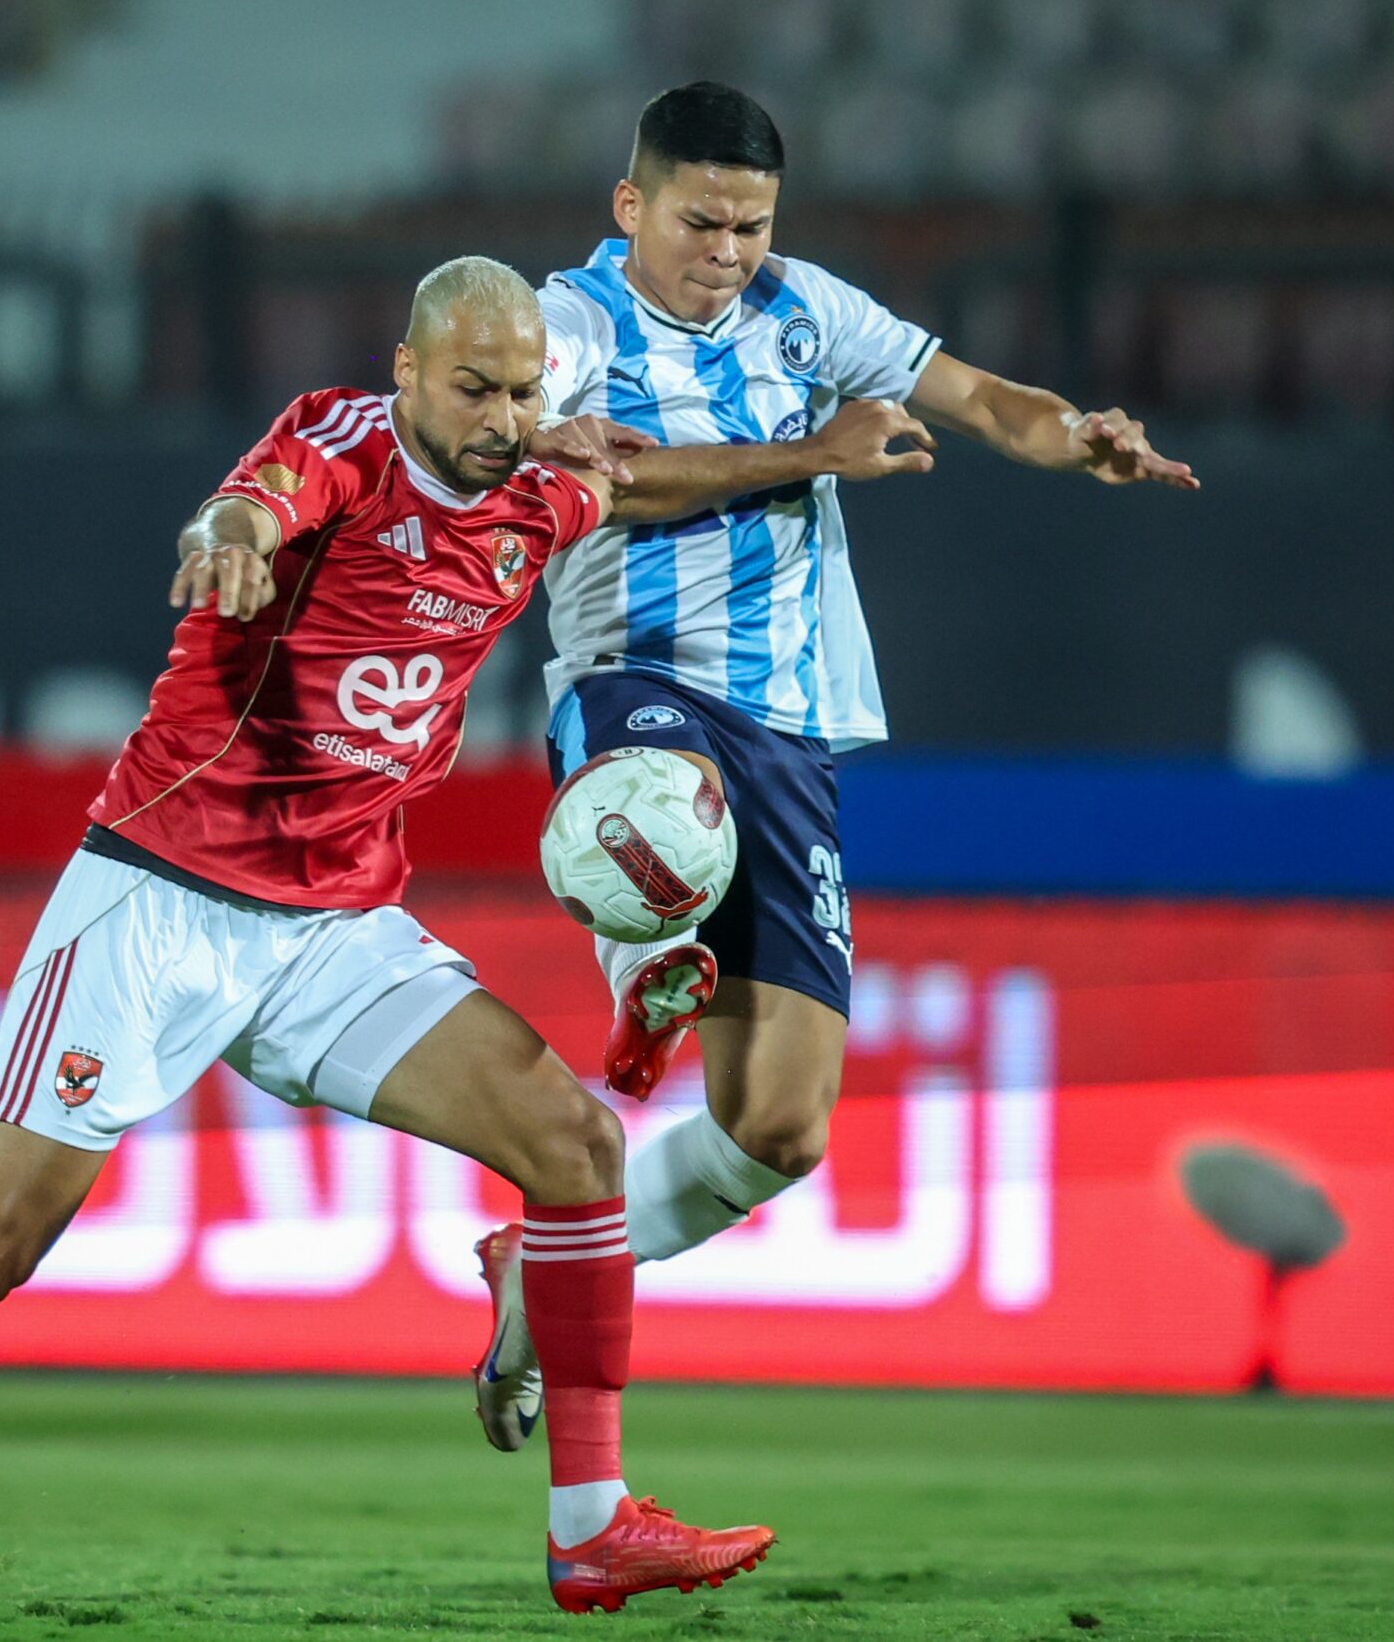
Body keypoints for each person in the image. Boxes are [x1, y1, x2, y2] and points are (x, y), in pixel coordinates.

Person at [0, 259, 785, 1615]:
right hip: (158, 900)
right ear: (406, 371)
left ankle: (589, 1527)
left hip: (335, 926)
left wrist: (827, 454)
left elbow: (633, 485)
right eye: (474, 386)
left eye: (528, 390)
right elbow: (264, 496)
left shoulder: (537, 489)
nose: (505, 414)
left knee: (578, 1147)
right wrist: (231, 533)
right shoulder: (340, 441)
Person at [471, 82, 1200, 1450]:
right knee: (655, 818)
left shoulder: (806, 307)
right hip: (638, 678)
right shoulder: (564, 328)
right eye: (702, 221)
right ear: (631, 207)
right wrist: (814, 451)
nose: (730, 251)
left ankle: (556, 1256)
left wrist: (1074, 437)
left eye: (752, 225)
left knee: (780, 1133)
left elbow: (980, 395)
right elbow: (596, 483)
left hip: (792, 729)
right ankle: (649, 973)